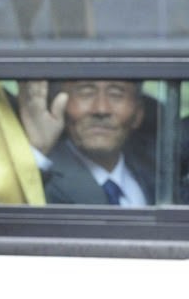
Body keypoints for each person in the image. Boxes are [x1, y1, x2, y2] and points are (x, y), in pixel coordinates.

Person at [18, 79, 154, 205]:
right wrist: (38, 151)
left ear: (138, 113)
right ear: (59, 104)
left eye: (116, 95)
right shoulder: (43, 175)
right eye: (86, 93)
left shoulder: (157, 176)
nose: (101, 109)